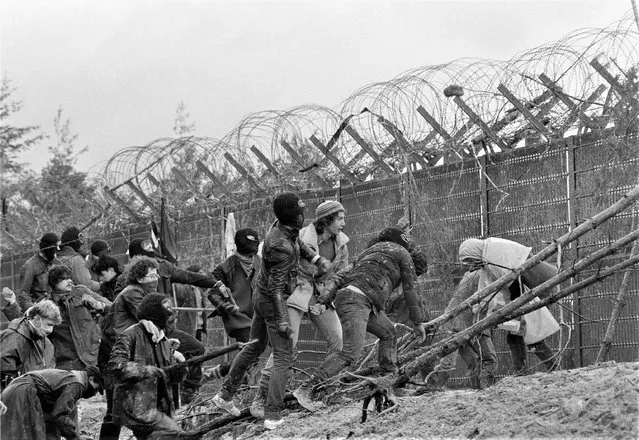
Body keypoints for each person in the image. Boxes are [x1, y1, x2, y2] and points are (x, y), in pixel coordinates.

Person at [211, 192, 329, 431]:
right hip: (271, 299)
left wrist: (316, 259)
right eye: (300, 212)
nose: (303, 215)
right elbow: (276, 288)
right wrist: (282, 319)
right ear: (294, 218)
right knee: (284, 355)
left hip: (261, 296)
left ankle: (224, 396)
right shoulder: (280, 247)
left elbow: (299, 242)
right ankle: (273, 415)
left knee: (254, 345)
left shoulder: (282, 228)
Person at [293, 227, 428, 411]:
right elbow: (411, 288)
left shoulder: (367, 253)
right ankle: (306, 388)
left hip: (353, 299)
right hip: (357, 301)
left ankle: (388, 384)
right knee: (350, 353)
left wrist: (325, 300)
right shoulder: (402, 252)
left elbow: (340, 277)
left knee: (389, 333)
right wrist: (418, 322)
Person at [252, 201, 348, 418]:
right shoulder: (301, 236)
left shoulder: (341, 242)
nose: (343, 223)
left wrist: (326, 295)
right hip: (297, 291)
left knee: (338, 341)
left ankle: (319, 389)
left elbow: (340, 271)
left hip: (321, 294)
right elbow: (295, 271)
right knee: (287, 346)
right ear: (327, 220)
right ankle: (261, 399)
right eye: (340, 218)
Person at [428, 237, 559, 389]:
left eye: (470, 261)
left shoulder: (492, 260)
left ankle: (544, 369)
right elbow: (492, 294)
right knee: (512, 341)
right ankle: (527, 372)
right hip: (484, 317)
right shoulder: (487, 262)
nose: (470, 265)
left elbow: (506, 287)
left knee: (527, 337)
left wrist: (512, 311)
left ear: (475, 254)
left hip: (528, 294)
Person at [108, 293, 184, 439]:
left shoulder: (163, 341)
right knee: (172, 430)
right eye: (166, 310)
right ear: (155, 313)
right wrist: (146, 370)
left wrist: (181, 366)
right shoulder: (130, 335)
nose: (170, 317)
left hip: (155, 406)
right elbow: (116, 366)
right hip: (134, 406)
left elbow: (171, 377)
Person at [0, 366, 104, 440]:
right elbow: (59, 415)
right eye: (96, 389)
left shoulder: (72, 377)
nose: (94, 394)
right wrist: (76, 438)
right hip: (21, 392)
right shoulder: (77, 384)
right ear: (91, 379)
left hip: (18, 389)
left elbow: (54, 414)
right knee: (24, 435)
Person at [48, 265, 111, 370]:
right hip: (67, 360)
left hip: (92, 353)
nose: (69, 281)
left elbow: (111, 307)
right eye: (64, 279)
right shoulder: (48, 304)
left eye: (70, 278)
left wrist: (98, 306)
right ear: (54, 282)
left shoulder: (80, 291)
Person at [209, 228, 262, 343]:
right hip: (239, 319)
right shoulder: (225, 268)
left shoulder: (261, 262)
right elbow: (213, 294)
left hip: (260, 316)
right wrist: (224, 306)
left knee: (281, 345)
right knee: (249, 353)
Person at [0, 299, 62, 390]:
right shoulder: (14, 337)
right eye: (48, 324)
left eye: (53, 325)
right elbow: (6, 372)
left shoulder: (46, 343)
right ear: (37, 319)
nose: (50, 330)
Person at [17, 232, 61, 312]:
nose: (58, 249)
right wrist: (33, 310)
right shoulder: (30, 266)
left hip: (58, 311)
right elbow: (23, 295)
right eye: (56, 246)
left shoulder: (58, 263)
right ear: (48, 247)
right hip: (40, 313)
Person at [57, 227, 101, 293]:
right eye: (81, 239)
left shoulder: (57, 257)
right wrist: (104, 284)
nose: (83, 243)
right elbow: (87, 285)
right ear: (75, 241)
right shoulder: (75, 259)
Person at [174, 264, 209, 342]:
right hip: (187, 326)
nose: (203, 275)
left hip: (198, 326)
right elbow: (178, 292)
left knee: (197, 350)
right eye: (200, 273)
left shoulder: (199, 289)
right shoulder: (185, 288)